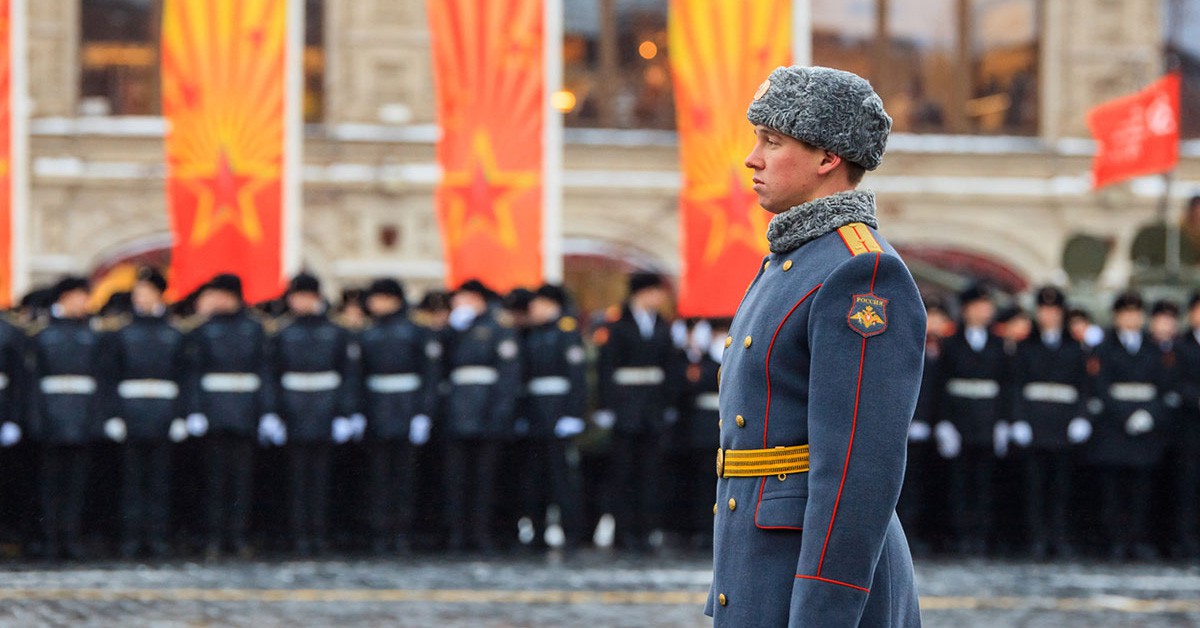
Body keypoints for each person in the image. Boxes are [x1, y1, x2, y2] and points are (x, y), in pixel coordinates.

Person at [708, 66, 923, 626]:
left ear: (827, 158)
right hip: (764, 569)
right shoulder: (792, 260)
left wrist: (825, 608)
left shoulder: (861, 271)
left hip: (816, 585)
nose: (752, 158)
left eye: (772, 142)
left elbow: (858, 468)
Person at [183, 274, 277, 559]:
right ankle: (212, 536)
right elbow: (194, 372)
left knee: (241, 481)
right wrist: (195, 410)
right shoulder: (202, 330)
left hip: (245, 410)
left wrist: (267, 411)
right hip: (213, 411)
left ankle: (236, 536)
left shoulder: (254, 329)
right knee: (213, 480)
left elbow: (265, 371)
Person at [102, 267, 188, 558]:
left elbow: (183, 376)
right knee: (131, 481)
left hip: (163, 410)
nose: (141, 298)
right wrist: (114, 414)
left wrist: (180, 415)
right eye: (139, 293)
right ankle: (131, 538)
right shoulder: (122, 333)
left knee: (160, 482)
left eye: (147, 293)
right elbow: (110, 376)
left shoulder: (174, 333)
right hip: (131, 411)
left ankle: (157, 538)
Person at [269, 273, 357, 556]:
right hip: (293, 409)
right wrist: (273, 412)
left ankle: (318, 533)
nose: (299, 302)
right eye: (295, 296)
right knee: (295, 478)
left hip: (324, 408)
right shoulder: (283, 332)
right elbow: (273, 374)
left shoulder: (336, 332)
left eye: (304, 296)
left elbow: (347, 375)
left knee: (321, 478)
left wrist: (345, 413)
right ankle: (297, 534)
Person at [595, 271, 681, 554]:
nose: (659, 298)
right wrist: (607, 406)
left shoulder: (663, 325)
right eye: (655, 292)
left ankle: (646, 531)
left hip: (652, 408)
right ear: (641, 293)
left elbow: (670, 367)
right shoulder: (617, 325)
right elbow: (606, 369)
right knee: (623, 473)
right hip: (625, 405)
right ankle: (624, 532)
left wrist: (669, 402)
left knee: (650, 473)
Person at [357, 278, 440, 554]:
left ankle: (402, 531)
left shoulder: (416, 332)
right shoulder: (368, 333)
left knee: (405, 476)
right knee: (378, 476)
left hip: (406, 408)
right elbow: (358, 377)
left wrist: (423, 413)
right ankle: (380, 531)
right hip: (377, 409)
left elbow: (429, 376)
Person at [1008, 286, 1089, 560]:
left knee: (1062, 488)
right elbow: (1017, 385)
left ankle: (1059, 537)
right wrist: (1018, 420)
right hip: (1035, 423)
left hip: (1063, 425)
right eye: (1044, 309)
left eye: (1054, 310)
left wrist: (1081, 417)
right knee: (1035, 487)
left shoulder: (1075, 347)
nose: (1049, 315)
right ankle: (1037, 538)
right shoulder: (1025, 346)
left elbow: (1083, 386)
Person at [441, 279, 522, 552]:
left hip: (486, 411)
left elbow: (508, 375)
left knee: (484, 480)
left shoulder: (498, 329)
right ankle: (456, 533)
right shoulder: (452, 330)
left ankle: (481, 533)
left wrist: (501, 411)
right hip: (457, 411)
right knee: (456, 479)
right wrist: (451, 330)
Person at [1088, 291, 1169, 561]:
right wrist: (1124, 415)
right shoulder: (1104, 348)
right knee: (1113, 489)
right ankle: (1116, 540)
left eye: (1136, 313)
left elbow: (1165, 388)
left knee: (1141, 489)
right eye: (1126, 313)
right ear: (1116, 317)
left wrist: (1150, 414)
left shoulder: (1155, 348)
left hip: (1145, 426)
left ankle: (1137, 538)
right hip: (1114, 426)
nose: (1131, 318)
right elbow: (1100, 387)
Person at [28, 276, 104, 559]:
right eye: (79, 297)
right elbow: (33, 382)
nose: (83, 303)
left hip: (81, 417)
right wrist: (35, 418)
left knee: (77, 485)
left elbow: (99, 381)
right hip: (51, 417)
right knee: (49, 484)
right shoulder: (41, 334)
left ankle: (70, 538)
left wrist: (98, 419)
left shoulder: (92, 334)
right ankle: (50, 539)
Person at [935, 283, 1010, 557]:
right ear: (966, 309)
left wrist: (1004, 421)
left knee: (985, 482)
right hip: (959, 419)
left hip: (988, 419)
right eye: (978, 306)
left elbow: (1005, 385)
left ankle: (982, 534)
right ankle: (960, 534)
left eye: (987, 307)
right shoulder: (951, 343)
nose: (984, 311)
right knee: (959, 483)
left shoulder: (999, 343)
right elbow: (941, 385)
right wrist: (943, 421)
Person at [514, 284, 588, 550]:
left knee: (562, 478)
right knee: (534, 477)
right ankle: (537, 529)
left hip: (558, 412)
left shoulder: (566, 333)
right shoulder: (531, 334)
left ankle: (572, 532)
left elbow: (576, 377)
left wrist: (572, 413)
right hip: (535, 414)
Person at [1173, 293, 1200, 559]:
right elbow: (1176, 382)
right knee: (1189, 486)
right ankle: (1187, 541)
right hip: (1192, 427)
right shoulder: (1181, 346)